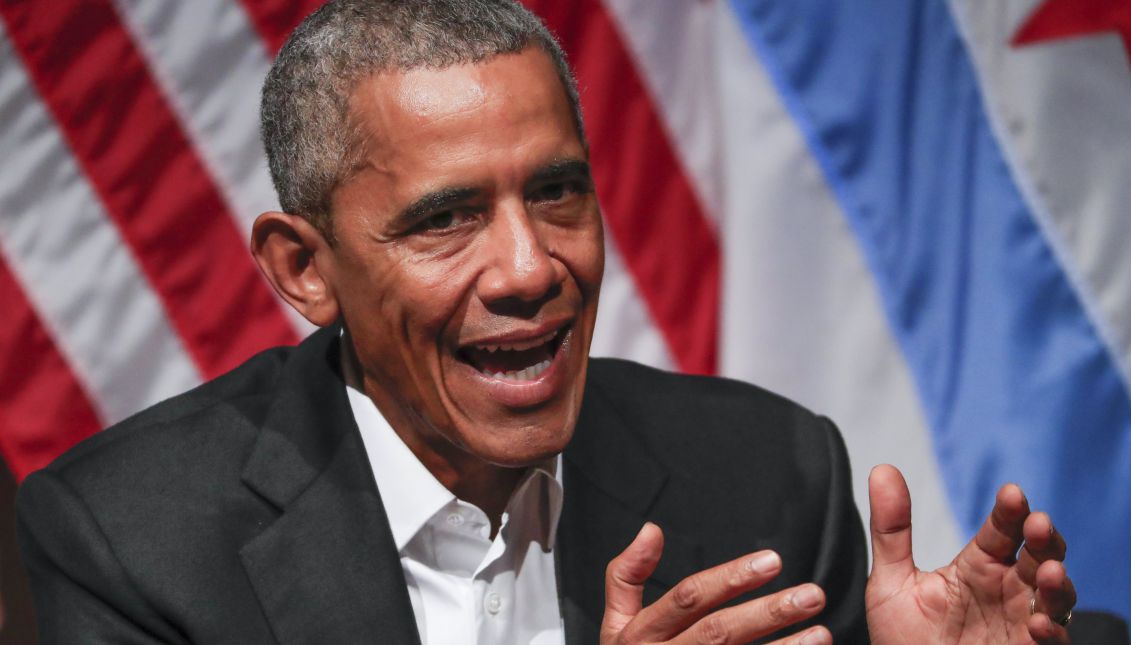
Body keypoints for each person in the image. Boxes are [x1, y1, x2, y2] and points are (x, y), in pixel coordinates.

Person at [17, 1, 1078, 643]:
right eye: (446, 219)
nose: (532, 268)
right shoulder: (129, 541)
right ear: (305, 269)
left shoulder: (765, 469)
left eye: (559, 194)